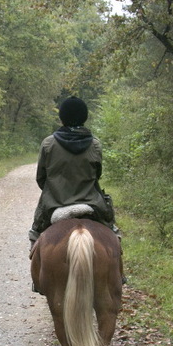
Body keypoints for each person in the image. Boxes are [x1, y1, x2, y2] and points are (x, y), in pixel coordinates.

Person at [28, 96, 118, 248]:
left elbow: (41, 179)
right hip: (91, 204)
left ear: (62, 118)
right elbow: (97, 175)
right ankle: (119, 270)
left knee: (35, 234)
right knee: (114, 235)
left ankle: (33, 252)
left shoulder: (48, 143)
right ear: (84, 118)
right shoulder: (95, 144)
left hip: (54, 205)